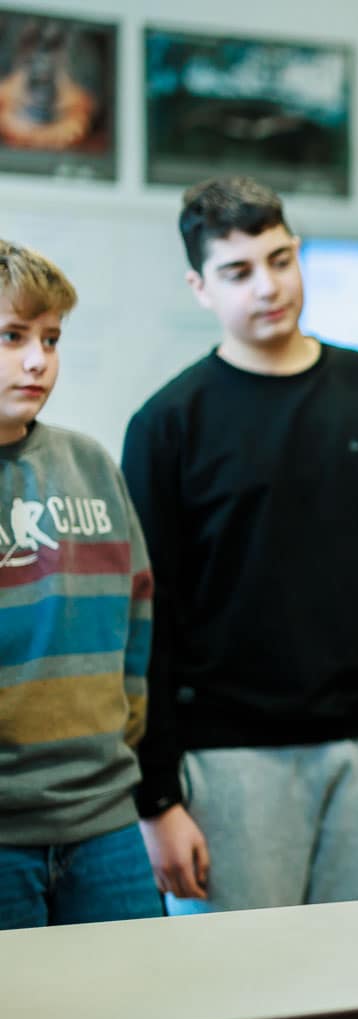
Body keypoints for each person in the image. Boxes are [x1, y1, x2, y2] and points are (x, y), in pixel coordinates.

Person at [122, 176, 358, 913]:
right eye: (239, 270)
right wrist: (154, 794)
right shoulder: (167, 424)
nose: (268, 286)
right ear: (200, 287)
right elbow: (145, 625)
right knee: (239, 999)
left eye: (281, 259)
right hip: (228, 757)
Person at [0, 239, 163, 928]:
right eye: (12, 336)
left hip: (105, 817)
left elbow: (138, 611)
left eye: (51, 338)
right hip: (4, 833)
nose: (38, 359)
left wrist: (120, 727)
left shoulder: (89, 462)